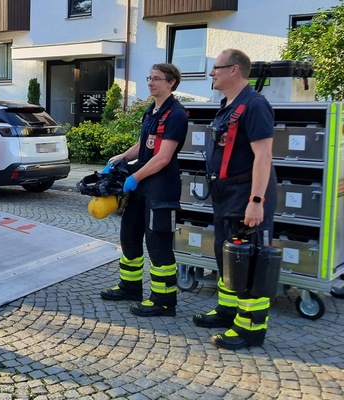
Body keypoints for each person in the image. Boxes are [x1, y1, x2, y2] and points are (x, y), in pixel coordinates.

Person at [192, 49, 278, 350]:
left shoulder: (254, 105)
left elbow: (263, 156)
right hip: (226, 195)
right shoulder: (228, 104)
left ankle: (251, 329)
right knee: (228, 257)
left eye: (216, 68)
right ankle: (228, 310)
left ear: (235, 70)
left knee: (249, 262)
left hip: (246, 195)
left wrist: (257, 200)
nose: (211, 73)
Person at [99, 63, 188, 317]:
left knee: (158, 244)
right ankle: (130, 287)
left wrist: (134, 177)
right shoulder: (152, 110)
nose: (150, 82)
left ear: (171, 83)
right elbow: (144, 144)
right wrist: (121, 158)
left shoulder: (176, 114)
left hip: (161, 188)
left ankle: (163, 300)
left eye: (157, 79)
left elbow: (163, 157)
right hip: (142, 185)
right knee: (129, 234)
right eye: (149, 77)